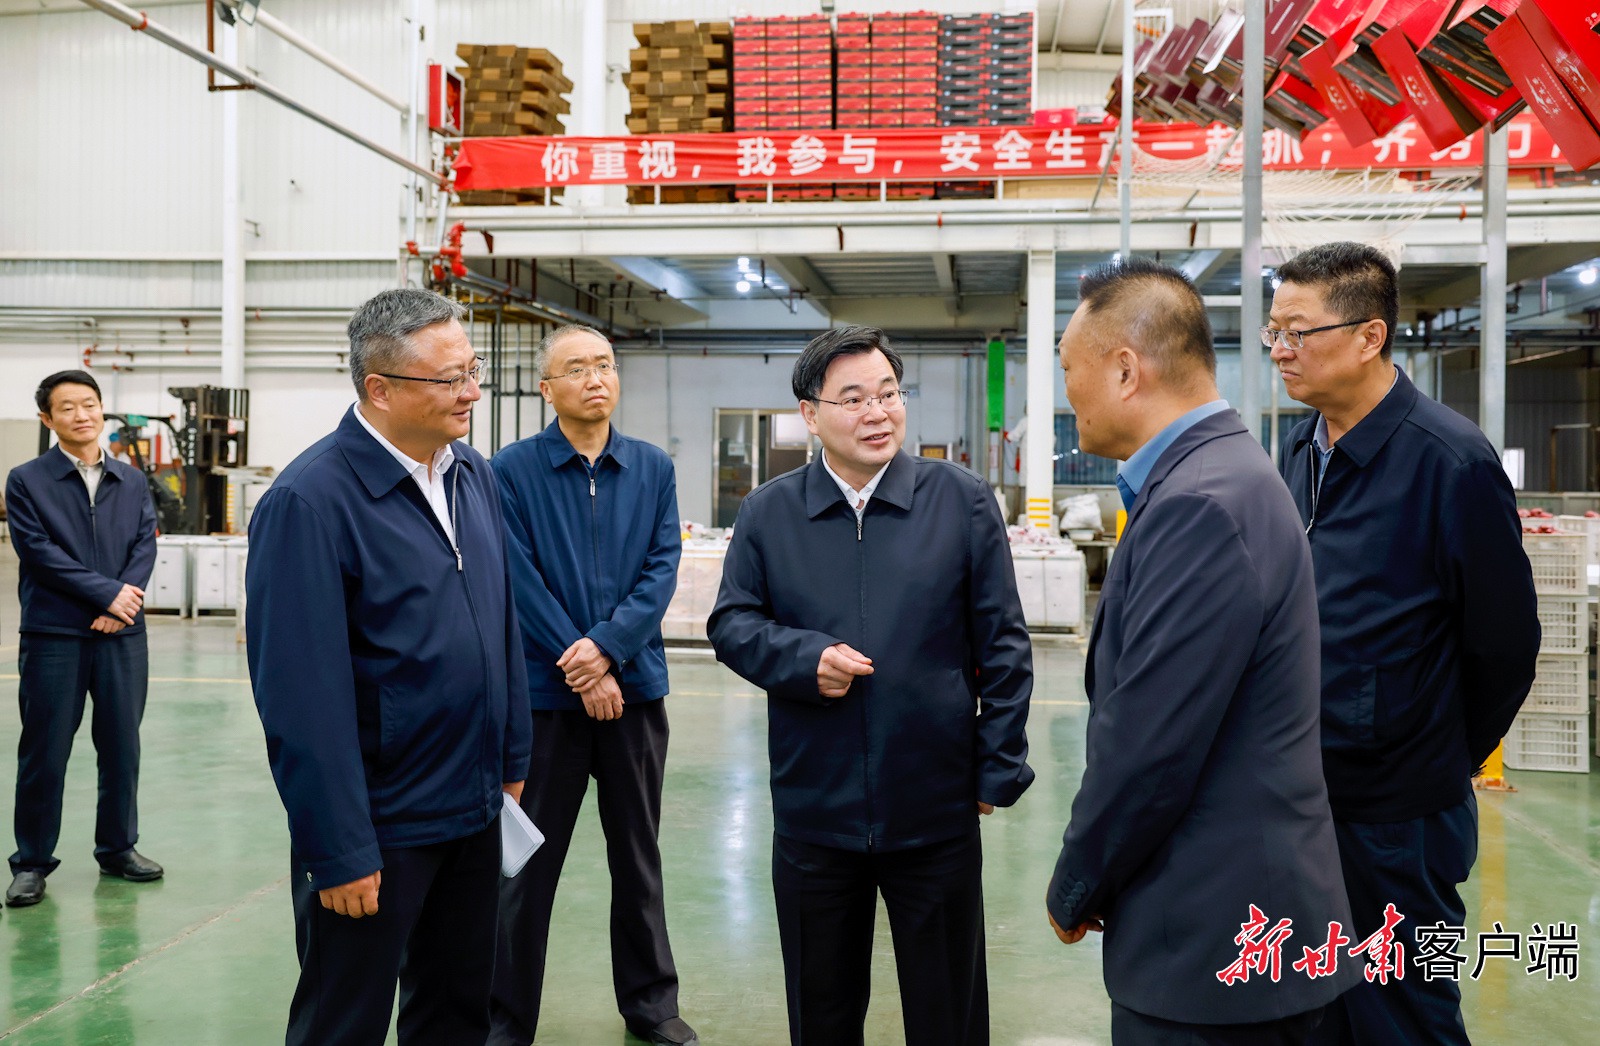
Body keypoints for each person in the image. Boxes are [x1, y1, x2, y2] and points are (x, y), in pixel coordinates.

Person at [1047, 260, 1358, 1045]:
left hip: (1214, 942)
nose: (1066, 391)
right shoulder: (1218, 477)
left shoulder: (1199, 505)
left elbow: (1151, 745)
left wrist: (1077, 882)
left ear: (1126, 370)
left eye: (1068, 368)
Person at [708, 325, 1034, 1046]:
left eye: (889, 393)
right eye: (853, 399)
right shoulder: (769, 513)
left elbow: (1005, 645)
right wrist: (804, 659)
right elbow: (732, 624)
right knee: (821, 1013)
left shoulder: (960, 502)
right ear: (810, 413)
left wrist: (997, 765)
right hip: (814, 812)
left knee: (948, 1013)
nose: (877, 412)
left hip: (934, 809)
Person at [1270, 242, 1539, 1044]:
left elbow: (1505, 646)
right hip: (1306, 795)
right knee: (1315, 1011)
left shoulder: (1449, 462)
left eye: (1298, 332)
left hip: (1399, 813)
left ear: (1369, 336)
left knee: (1401, 1017)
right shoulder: (1299, 450)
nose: (1280, 349)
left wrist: (1431, 752)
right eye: (1273, 332)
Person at [245, 288, 531, 1046]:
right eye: (450, 378)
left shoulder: (472, 474)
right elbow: (300, 698)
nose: (472, 392)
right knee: (345, 1020)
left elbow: (501, 621)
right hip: (382, 824)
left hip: (474, 806)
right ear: (380, 388)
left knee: (455, 1010)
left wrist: (512, 757)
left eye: (473, 370)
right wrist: (339, 848)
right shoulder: (310, 501)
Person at [488, 325, 696, 1046]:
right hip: (544, 700)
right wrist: (580, 666)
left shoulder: (652, 467)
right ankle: (504, 1018)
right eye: (576, 368)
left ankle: (652, 1005)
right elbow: (516, 576)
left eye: (604, 365)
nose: (595, 378)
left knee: (637, 859)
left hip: (634, 694)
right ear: (547, 388)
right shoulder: (510, 470)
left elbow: (661, 570)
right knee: (524, 865)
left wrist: (607, 651)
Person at [4, 369, 160, 910]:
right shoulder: (26, 480)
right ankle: (31, 863)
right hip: (55, 634)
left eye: (89, 403)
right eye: (67, 407)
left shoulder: (131, 479)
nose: (81, 414)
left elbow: (144, 545)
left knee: (121, 747)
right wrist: (107, 596)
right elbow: (38, 552)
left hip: (121, 635)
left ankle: (118, 848)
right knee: (44, 751)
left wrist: (124, 604)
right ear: (47, 419)